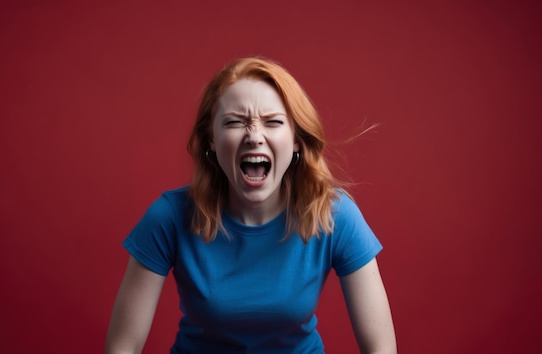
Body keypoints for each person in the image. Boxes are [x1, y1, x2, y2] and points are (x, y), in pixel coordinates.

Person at [105, 57, 396, 354]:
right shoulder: (169, 216)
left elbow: (381, 348)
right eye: (234, 122)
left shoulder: (335, 215)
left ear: (296, 139)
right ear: (212, 141)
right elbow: (122, 346)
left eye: (273, 122)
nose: (254, 136)